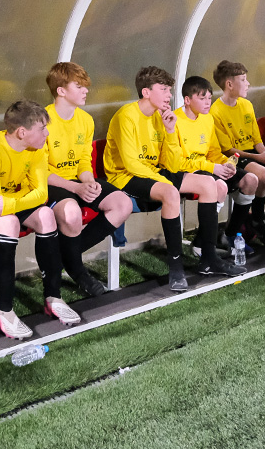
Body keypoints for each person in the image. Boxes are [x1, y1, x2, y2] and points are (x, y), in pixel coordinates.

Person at [104, 66, 246, 293]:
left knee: (208, 184)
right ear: (146, 92)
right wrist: (167, 182)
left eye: (169, 91)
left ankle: (208, 259)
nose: (170, 96)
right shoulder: (126, 115)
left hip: (153, 171)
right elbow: (131, 165)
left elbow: (171, 165)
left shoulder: (162, 117)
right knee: (170, 192)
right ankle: (176, 268)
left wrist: (170, 131)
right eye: (164, 90)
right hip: (125, 176)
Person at [0, 99, 79, 339]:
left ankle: (53, 298)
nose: (47, 133)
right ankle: (3, 311)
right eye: (42, 129)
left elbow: (41, 194)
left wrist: (11, 204)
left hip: (8, 199)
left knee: (46, 215)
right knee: (9, 224)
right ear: (22, 132)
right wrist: (12, 205)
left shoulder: (36, 149)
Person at [43, 62, 132, 297]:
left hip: (77, 181)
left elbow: (84, 160)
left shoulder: (86, 120)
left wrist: (89, 182)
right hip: (52, 185)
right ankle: (78, 271)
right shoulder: (43, 121)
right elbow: (39, 172)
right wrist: (76, 188)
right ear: (61, 91)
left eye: (86, 86)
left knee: (122, 204)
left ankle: (64, 257)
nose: (86, 90)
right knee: (71, 213)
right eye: (79, 86)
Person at [209, 60, 265, 246]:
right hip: (233, 157)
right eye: (243, 79)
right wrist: (259, 158)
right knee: (263, 174)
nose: (248, 83)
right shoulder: (215, 111)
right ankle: (254, 222)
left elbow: (257, 140)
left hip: (256, 153)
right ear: (229, 84)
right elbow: (227, 150)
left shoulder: (246, 104)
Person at [174, 76, 260, 255]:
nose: (208, 103)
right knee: (218, 186)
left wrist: (226, 164)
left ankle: (230, 235)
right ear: (187, 100)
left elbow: (213, 151)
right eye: (202, 98)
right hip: (187, 171)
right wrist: (213, 168)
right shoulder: (174, 121)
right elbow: (179, 162)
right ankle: (202, 244)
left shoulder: (207, 119)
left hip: (209, 166)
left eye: (209, 98)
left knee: (250, 180)